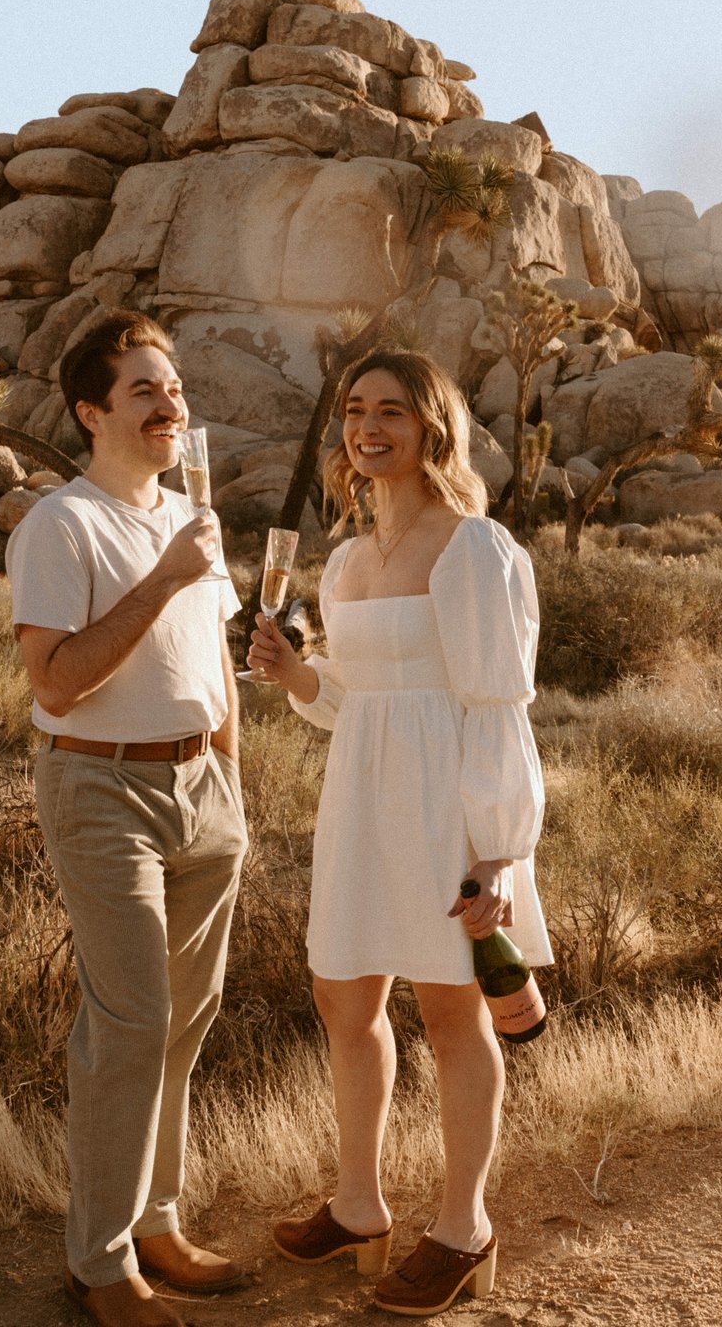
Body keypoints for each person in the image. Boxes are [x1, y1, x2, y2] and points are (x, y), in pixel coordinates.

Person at [246, 347, 553, 1317]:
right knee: (343, 996)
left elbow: (496, 704)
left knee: (453, 1016)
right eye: (354, 410)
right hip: (360, 801)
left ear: (432, 428)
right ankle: (358, 1202)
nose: (367, 427)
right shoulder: (343, 559)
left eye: (391, 411)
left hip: (444, 811)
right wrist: (295, 675)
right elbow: (355, 700)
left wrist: (496, 848)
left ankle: (463, 1228)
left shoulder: (473, 548)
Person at [6, 311, 249, 1327]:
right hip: (101, 788)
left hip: (203, 790)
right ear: (91, 412)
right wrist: (162, 578)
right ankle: (99, 1263)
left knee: (182, 1021)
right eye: (143, 388)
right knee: (128, 1023)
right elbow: (55, 682)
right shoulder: (60, 524)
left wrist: (235, 788)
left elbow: (214, 668)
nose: (169, 401)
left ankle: (155, 1220)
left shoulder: (195, 519)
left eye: (174, 385)